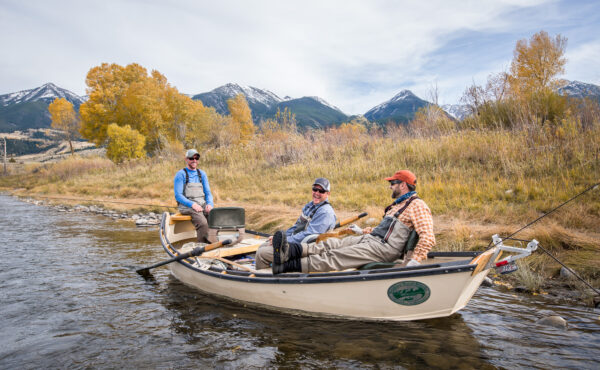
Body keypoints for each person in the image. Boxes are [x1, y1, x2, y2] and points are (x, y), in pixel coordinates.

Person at [271, 170, 435, 274]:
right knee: (331, 244)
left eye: (393, 183)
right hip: (371, 240)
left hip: (383, 249)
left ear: (403, 186)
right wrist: (362, 231)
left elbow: (428, 237)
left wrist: (414, 263)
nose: (390, 186)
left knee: (335, 256)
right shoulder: (398, 205)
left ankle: (286, 267)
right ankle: (288, 251)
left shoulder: (417, 205)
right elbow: (385, 230)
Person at [254, 178, 337, 270]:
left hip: (305, 249)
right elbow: (296, 227)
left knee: (261, 254)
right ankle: (276, 271)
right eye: (315, 189)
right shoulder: (310, 206)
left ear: (328, 193)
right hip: (297, 244)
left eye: (321, 191)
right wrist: (280, 238)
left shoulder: (325, 213)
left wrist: (283, 242)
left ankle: (266, 280)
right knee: (263, 245)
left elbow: (308, 234)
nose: (317, 193)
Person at [174, 149, 214, 243]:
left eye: (196, 158)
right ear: (186, 159)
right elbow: (178, 195)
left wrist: (209, 204)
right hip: (187, 206)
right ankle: (201, 247)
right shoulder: (181, 174)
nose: (194, 160)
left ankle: (213, 243)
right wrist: (192, 204)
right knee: (203, 223)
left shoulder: (202, 174)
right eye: (191, 158)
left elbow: (208, 193)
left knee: (215, 218)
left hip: (201, 203)